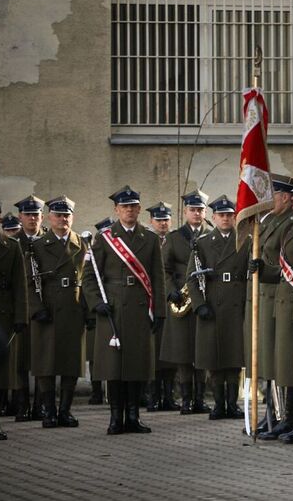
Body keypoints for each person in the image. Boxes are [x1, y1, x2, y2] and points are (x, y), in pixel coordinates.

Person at [82, 185, 166, 435]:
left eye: (133, 206)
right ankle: (115, 418)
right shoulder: (105, 237)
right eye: (124, 207)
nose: (129, 210)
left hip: (140, 309)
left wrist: (159, 311)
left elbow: (158, 278)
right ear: (117, 210)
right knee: (114, 367)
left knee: (136, 366)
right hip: (113, 309)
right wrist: (96, 302)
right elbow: (89, 277)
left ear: (139, 209)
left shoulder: (149, 239)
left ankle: (133, 416)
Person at [260, 176, 293, 439]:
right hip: (283, 297)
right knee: (283, 360)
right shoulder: (291, 223)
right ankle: (282, 414)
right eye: (292, 194)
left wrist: (267, 270)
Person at [27, 196, 87, 428]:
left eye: (67, 215)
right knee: (46, 363)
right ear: (49, 217)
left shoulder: (81, 244)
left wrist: (88, 311)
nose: (63, 219)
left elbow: (89, 279)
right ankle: (49, 411)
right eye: (58, 215)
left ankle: (65, 411)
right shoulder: (38, 245)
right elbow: (29, 282)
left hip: (73, 308)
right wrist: (36, 308)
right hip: (48, 308)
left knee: (70, 362)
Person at [187, 195, 249, 421]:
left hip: (236, 304)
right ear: (213, 217)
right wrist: (199, 305)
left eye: (229, 215)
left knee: (234, 358)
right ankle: (218, 405)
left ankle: (232, 404)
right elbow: (192, 278)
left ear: (234, 218)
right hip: (212, 303)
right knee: (214, 358)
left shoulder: (245, 241)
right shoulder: (203, 243)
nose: (225, 218)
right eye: (221, 215)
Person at [249, 175, 293, 432]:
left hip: (277, 294)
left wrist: (265, 269)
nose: (268, 201)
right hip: (264, 297)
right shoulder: (268, 222)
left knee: (278, 358)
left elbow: (283, 263)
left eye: (273, 195)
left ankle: (282, 414)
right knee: (267, 358)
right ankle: (269, 412)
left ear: (285, 197)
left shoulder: (287, 223)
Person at [162, 189, 212, 415]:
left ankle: (200, 399)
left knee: (201, 350)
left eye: (200, 210)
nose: (197, 214)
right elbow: (164, 269)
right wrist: (170, 290)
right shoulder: (174, 238)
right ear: (185, 212)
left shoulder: (210, 235)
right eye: (193, 210)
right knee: (183, 353)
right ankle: (185, 400)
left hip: (203, 298)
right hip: (180, 300)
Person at [0, 197, 27, 440]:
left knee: (1, 372)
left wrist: (20, 316)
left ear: (0, 218)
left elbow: (20, 284)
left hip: (3, 310)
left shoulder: (11, 246)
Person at [11, 194, 46, 422]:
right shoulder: (13, 243)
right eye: (28, 214)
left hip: (46, 309)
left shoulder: (49, 240)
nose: (33, 218)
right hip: (23, 309)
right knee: (21, 361)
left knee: (43, 360)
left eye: (36, 214)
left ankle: (40, 406)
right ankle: (22, 405)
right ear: (20, 217)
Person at [145, 201, 178, 412]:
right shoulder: (147, 241)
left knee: (171, 352)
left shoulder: (174, 241)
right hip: (152, 301)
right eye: (159, 220)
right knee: (154, 352)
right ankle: (154, 396)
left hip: (172, 303)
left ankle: (169, 395)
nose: (163, 223)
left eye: (166, 219)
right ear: (151, 222)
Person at [85, 217, 113, 406]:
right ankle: (96, 391)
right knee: (95, 355)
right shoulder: (93, 253)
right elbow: (86, 283)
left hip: (114, 307)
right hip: (96, 312)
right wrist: (91, 311)